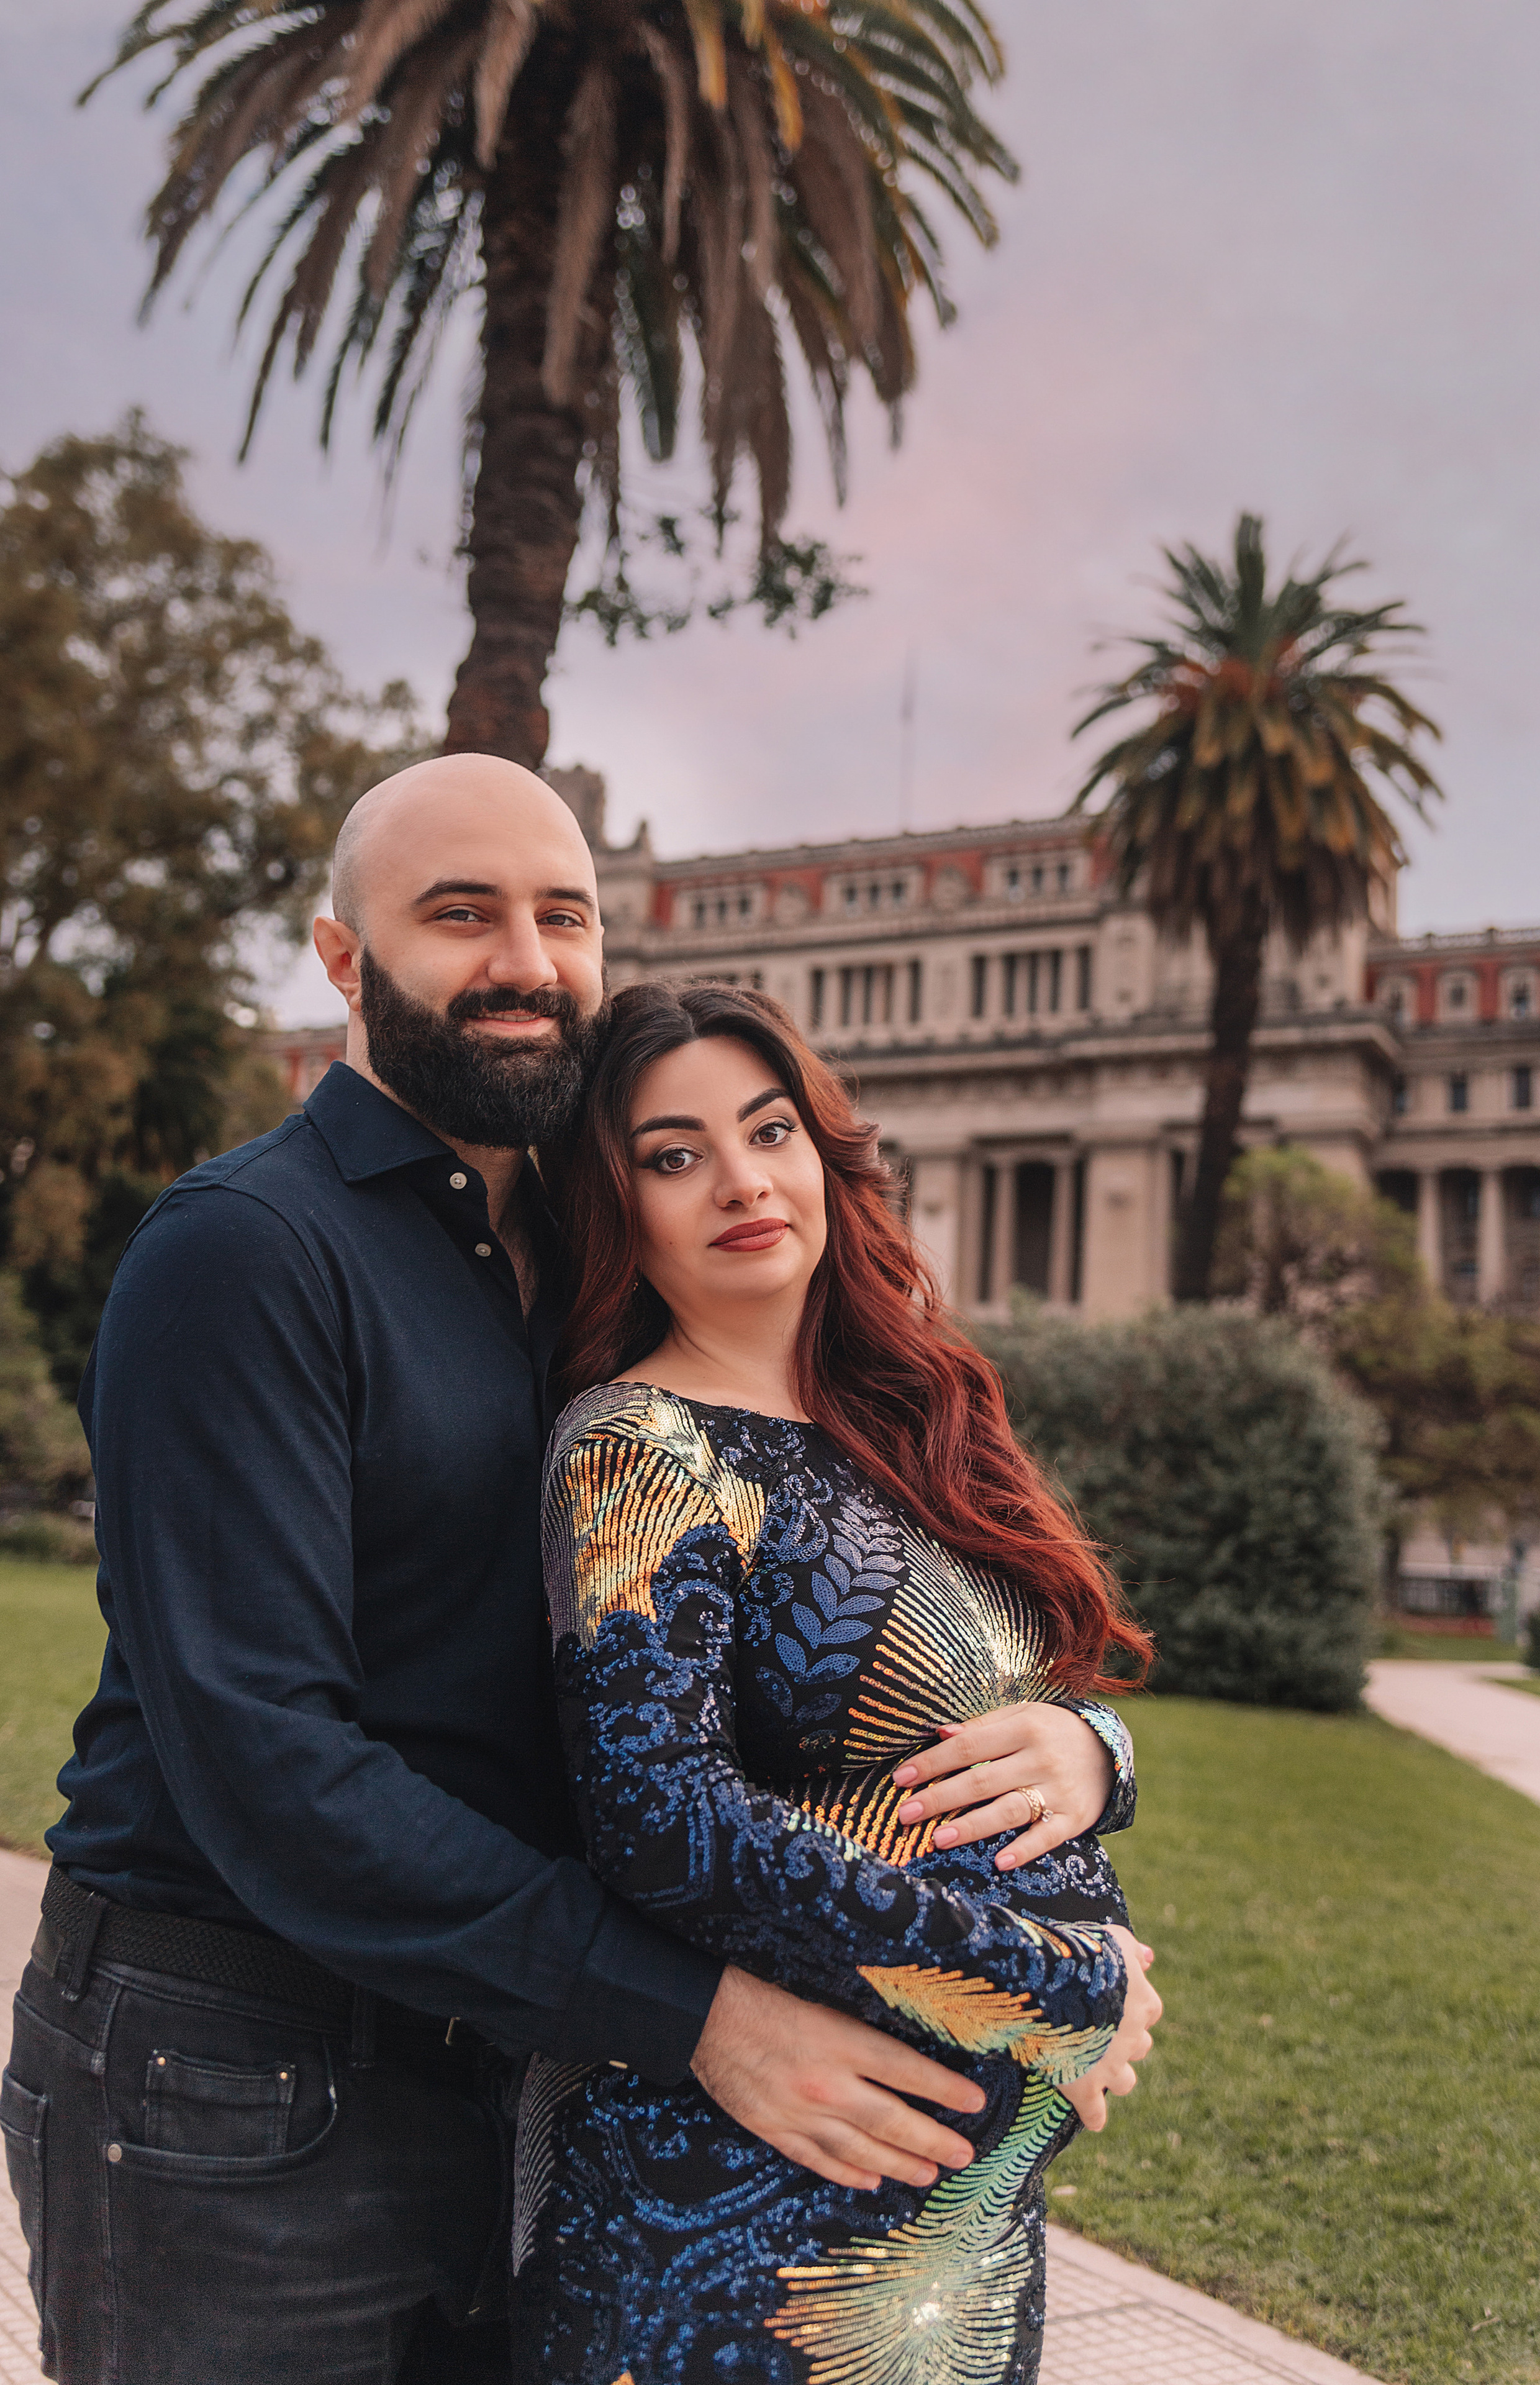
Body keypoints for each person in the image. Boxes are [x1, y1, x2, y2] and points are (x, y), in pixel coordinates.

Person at [2, 758, 1136, 2385]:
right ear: (344, 960)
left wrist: (1084, 1763)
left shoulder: (581, 1264)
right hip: (235, 2069)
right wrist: (700, 2015)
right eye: (460, 915)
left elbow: (768, 1677)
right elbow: (271, 1763)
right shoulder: (246, 1251)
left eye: (565, 916)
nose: (526, 961)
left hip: (518, 2060)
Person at [515, 980, 1162, 2384]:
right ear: (616, 1209)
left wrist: (1096, 1751)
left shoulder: (910, 1416)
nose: (743, 1182)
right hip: (734, 2215)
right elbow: (661, 1818)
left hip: (955, 2239)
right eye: (675, 1156)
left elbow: (1022, 1689)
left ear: (824, 1155)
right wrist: (1052, 1981)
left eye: (770, 1132)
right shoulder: (637, 1444)